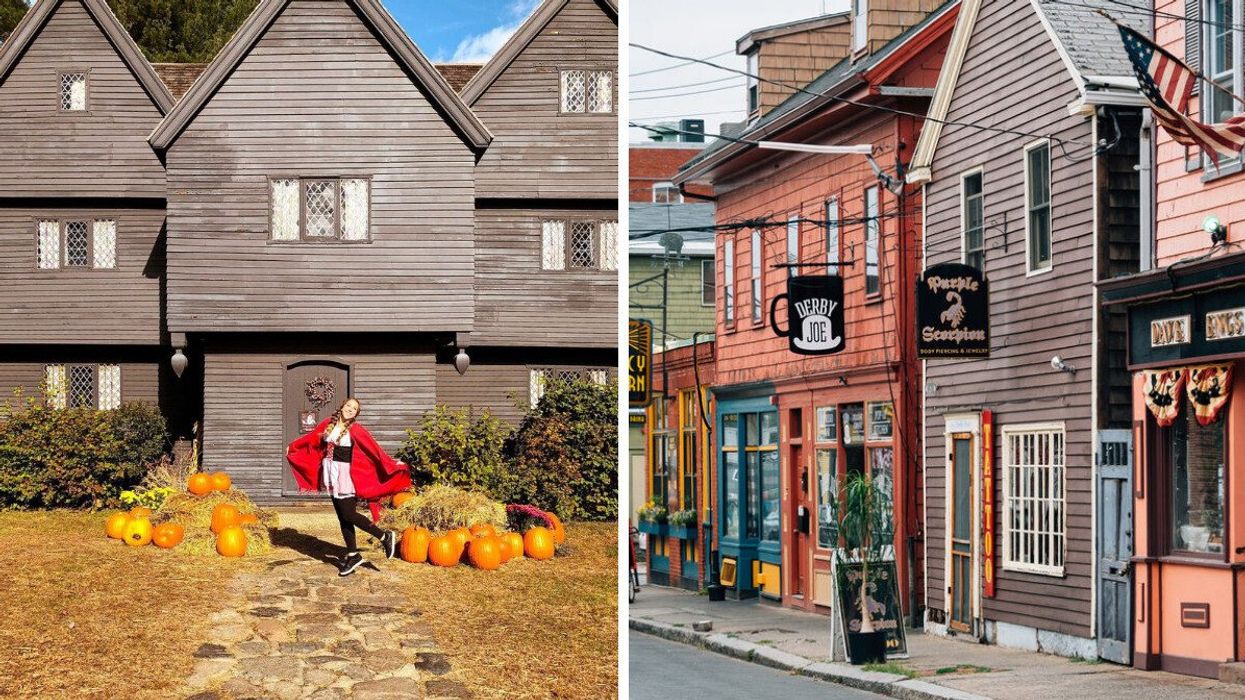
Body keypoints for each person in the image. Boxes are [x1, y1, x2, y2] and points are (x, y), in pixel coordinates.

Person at [286, 397, 411, 576]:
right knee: (343, 518)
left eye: (354, 409)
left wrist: (392, 464)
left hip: (346, 476)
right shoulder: (328, 423)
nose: (350, 409)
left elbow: (374, 450)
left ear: (356, 414)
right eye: (348, 406)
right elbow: (311, 439)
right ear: (342, 406)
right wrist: (293, 447)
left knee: (349, 514)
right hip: (330, 474)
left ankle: (384, 536)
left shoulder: (356, 430)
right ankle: (353, 555)